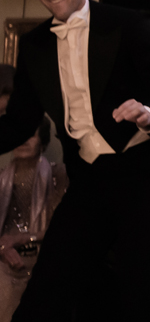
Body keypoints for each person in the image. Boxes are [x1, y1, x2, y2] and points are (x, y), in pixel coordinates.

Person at [0, 0, 150, 322]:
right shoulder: (35, 44)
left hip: (144, 176)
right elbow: (19, 120)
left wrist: (149, 113)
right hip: (87, 179)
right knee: (43, 296)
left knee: (142, 301)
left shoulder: (129, 24)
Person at [0, 117, 67, 322]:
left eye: (30, 134)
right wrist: (3, 247)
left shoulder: (57, 174)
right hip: (4, 262)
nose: (23, 140)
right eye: (19, 134)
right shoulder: (1, 178)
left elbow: (62, 229)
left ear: (42, 142)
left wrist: (22, 239)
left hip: (43, 259)